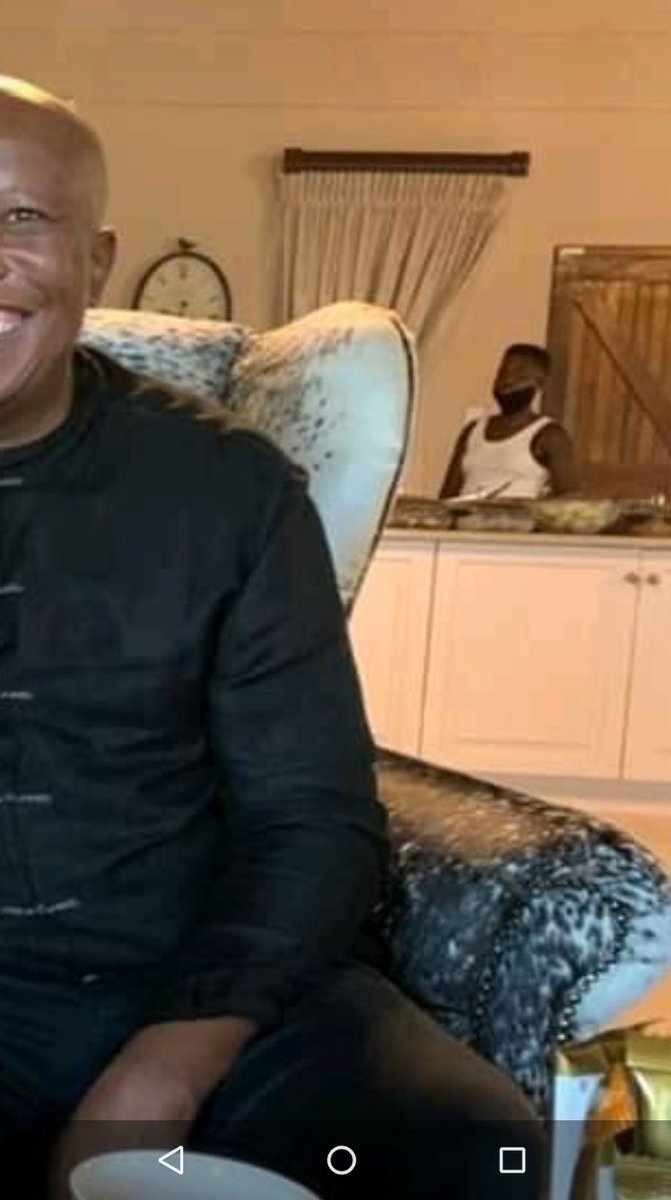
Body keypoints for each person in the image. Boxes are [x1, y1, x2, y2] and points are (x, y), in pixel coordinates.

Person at [0, 77, 544, 1200]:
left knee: (468, 1142)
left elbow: (312, 815)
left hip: (194, 984)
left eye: (22, 217)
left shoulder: (228, 491)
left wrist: (165, 1068)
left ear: (97, 263)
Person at [440, 343, 578, 499]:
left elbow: (568, 498)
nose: (507, 380)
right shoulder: (473, 430)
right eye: (502, 373)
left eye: (519, 374)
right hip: (465, 514)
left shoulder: (550, 435)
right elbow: (447, 496)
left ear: (539, 382)